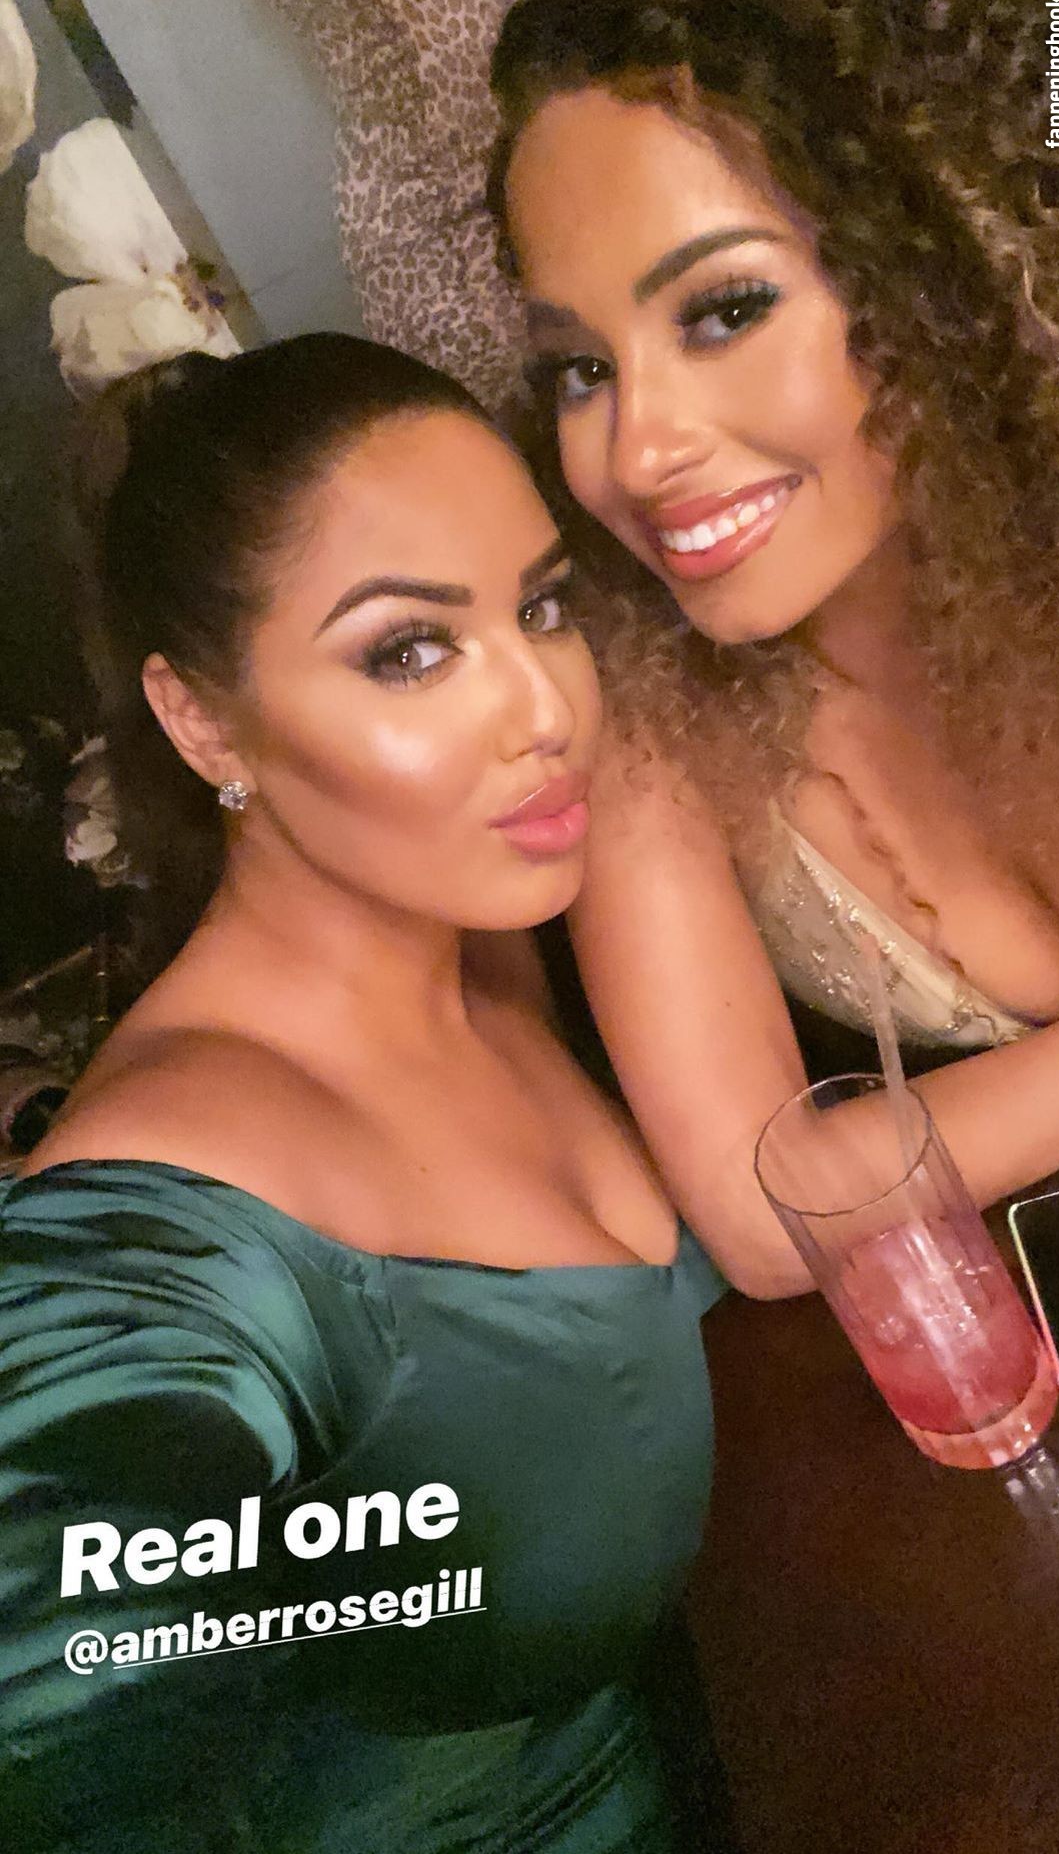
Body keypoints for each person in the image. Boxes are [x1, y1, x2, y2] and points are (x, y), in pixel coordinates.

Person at [0, 336, 736, 1852]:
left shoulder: (485, 951)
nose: (544, 707)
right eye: (409, 651)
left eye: (542, 608)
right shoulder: (161, 1240)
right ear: (202, 723)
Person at [486, 0, 1059, 1297]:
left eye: (722, 311)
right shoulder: (634, 675)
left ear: (942, 278)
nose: (637, 452)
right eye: (581, 368)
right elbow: (767, 1218)